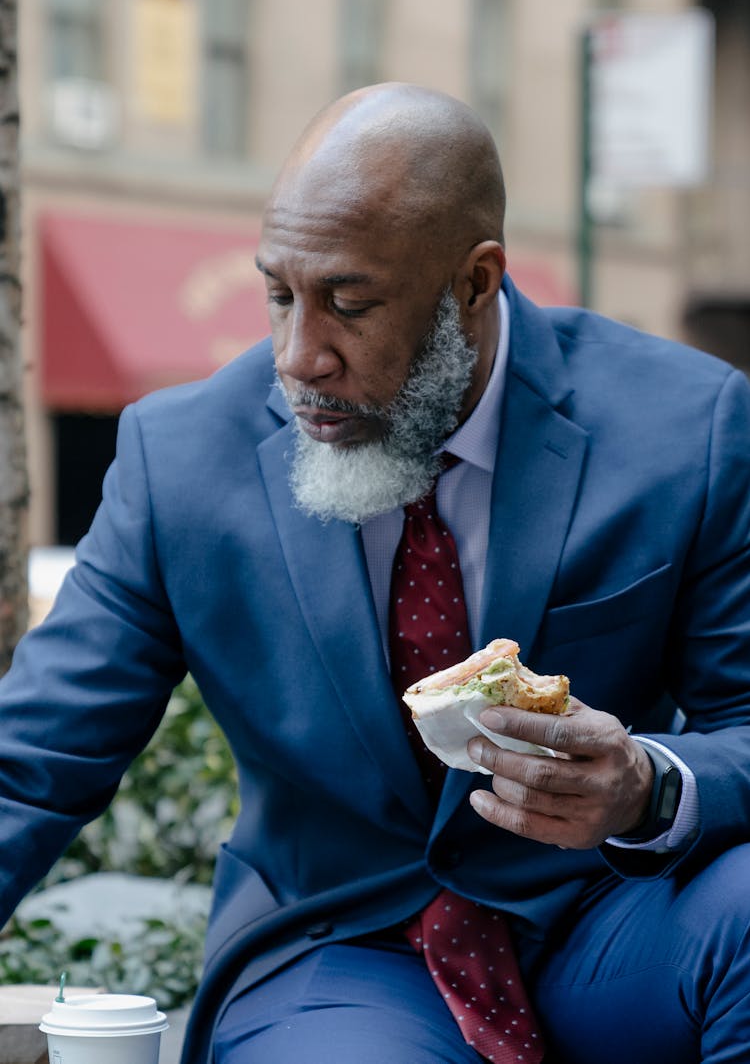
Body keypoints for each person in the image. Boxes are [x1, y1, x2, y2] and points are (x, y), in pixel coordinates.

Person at [2, 82, 750, 1064]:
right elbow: (36, 759)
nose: (298, 355)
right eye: (279, 293)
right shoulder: (179, 457)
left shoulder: (684, 425)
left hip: (608, 919)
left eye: (349, 304)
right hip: (337, 947)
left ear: (475, 283)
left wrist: (650, 784)